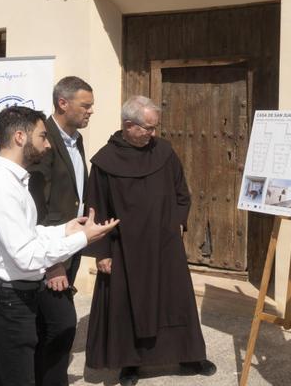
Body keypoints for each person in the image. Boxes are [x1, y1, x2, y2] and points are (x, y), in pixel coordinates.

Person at [0, 106, 118, 386]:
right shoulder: (1, 187)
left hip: (16, 296)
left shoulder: (13, 183)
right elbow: (26, 256)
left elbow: (27, 234)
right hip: (10, 299)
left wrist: (66, 229)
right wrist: (84, 239)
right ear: (20, 137)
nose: (48, 143)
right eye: (42, 136)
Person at [84, 95, 216, 386]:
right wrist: (102, 253)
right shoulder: (104, 162)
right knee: (126, 306)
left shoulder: (164, 152)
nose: (153, 134)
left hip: (164, 245)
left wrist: (176, 223)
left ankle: (189, 354)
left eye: (155, 128)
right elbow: (96, 209)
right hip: (124, 249)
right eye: (148, 128)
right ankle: (130, 364)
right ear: (129, 125)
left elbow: (182, 192)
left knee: (176, 301)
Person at [27, 77, 94, 386]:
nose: (91, 111)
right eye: (86, 105)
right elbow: (38, 206)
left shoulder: (75, 138)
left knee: (52, 326)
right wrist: (52, 262)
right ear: (63, 103)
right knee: (60, 325)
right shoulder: (45, 142)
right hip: (51, 250)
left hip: (71, 244)